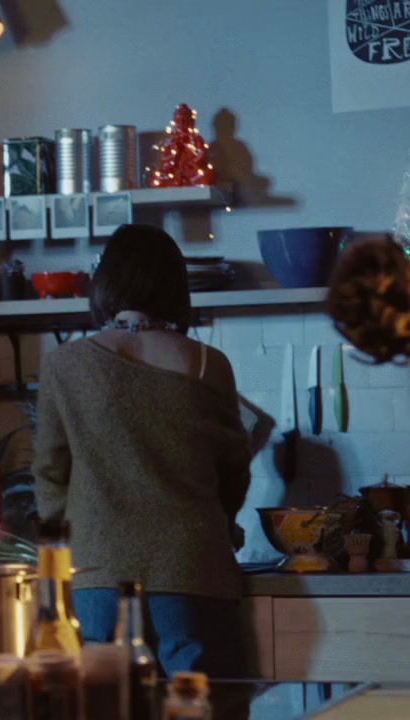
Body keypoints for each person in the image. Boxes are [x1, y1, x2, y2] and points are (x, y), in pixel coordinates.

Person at [31, 224, 251, 678]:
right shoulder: (210, 365)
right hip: (193, 569)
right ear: (175, 287)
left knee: (107, 704)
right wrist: (224, 524)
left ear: (104, 284)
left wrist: (76, 544)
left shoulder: (63, 365)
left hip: (97, 574)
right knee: (200, 706)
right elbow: (234, 472)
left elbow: (50, 476)